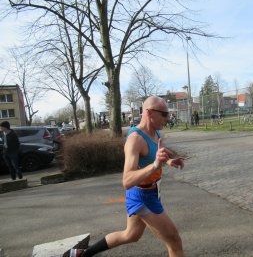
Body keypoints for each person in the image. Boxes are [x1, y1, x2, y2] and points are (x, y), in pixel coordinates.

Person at [70, 96, 185, 257]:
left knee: (131, 235)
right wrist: (155, 166)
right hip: (142, 196)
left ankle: (84, 254)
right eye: (164, 114)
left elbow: (155, 158)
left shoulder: (156, 133)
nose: (168, 118)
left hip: (151, 192)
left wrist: (169, 161)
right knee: (174, 240)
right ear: (150, 112)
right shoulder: (135, 139)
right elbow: (127, 180)